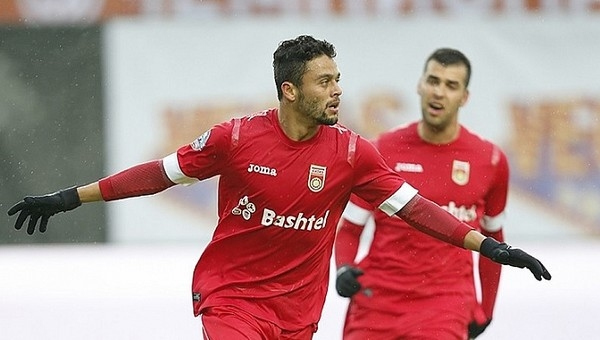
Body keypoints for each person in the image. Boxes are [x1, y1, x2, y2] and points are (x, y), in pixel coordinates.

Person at [7, 36, 550, 340]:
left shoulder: (354, 153)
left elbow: (417, 209)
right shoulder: (235, 139)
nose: (339, 91)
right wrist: (71, 197)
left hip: (298, 316)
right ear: (290, 90)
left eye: (339, 79)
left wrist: (491, 247)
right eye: (326, 81)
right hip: (233, 302)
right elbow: (157, 174)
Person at [334, 48, 512, 340]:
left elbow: (494, 242)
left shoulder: (490, 160)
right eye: (433, 81)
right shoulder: (382, 149)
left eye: (451, 85)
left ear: (464, 97)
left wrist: (487, 309)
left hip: (444, 303)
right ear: (420, 85)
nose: (439, 92)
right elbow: (351, 228)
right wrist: (343, 268)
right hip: (377, 301)